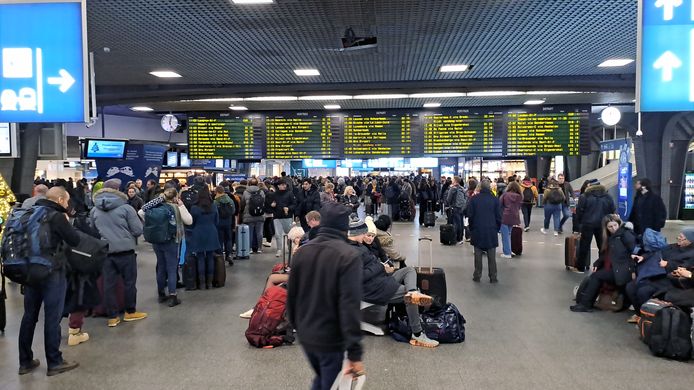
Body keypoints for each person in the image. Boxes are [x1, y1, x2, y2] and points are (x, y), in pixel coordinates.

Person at [287, 203, 365, 390]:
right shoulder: (348, 256)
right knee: (327, 382)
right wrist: (355, 352)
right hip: (330, 337)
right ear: (345, 226)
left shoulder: (302, 252)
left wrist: (296, 325)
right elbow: (349, 305)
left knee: (323, 379)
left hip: (306, 333)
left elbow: (291, 295)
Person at [17, 187, 81, 376]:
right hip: (51, 271)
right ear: (60, 200)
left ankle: (25, 361)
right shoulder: (56, 216)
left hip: (29, 270)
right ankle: (54, 361)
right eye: (67, 201)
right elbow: (74, 240)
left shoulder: (29, 213)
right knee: (52, 317)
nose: (68, 204)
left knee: (29, 315)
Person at [348, 215, 439, 348]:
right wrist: (380, 267)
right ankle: (418, 334)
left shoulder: (357, 246)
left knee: (408, 270)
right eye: (365, 234)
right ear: (359, 233)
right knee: (408, 297)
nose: (367, 237)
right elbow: (359, 276)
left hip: (379, 281)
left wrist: (382, 268)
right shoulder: (352, 252)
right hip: (372, 289)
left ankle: (413, 292)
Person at [90, 179, 147, 327]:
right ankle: (130, 312)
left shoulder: (94, 209)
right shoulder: (126, 208)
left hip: (106, 252)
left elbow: (93, 231)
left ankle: (112, 317)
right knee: (129, 283)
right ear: (118, 190)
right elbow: (138, 230)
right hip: (126, 251)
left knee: (108, 285)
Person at [570, 215, 636, 312]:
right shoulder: (613, 237)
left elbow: (634, 253)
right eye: (610, 226)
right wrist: (597, 263)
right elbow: (606, 254)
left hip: (624, 271)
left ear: (619, 224)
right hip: (618, 268)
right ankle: (585, 304)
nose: (614, 228)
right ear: (606, 228)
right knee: (596, 276)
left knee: (596, 276)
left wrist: (633, 271)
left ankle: (585, 304)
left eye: (615, 225)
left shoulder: (626, 234)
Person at [139, 187, 193, 306]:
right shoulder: (176, 208)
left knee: (161, 266)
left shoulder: (155, 207)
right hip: (172, 241)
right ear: (175, 197)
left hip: (157, 241)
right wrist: (181, 205)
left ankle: (161, 294)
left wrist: (158, 200)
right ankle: (173, 296)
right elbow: (189, 221)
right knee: (172, 268)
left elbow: (141, 212)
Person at [574, 179, 616, 273]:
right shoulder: (607, 196)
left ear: (590, 186)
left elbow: (579, 211)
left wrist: (580, 223)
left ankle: (581, 267)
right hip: (603, 224)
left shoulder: (584, 196)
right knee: (602, 245)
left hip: (587, 224)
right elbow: (612, 209)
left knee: (584, 246)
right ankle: (601, 267)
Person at [467, 180, 502, 283]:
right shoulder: (495, 200)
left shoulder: (474, 199)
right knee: (491, 256)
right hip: (491, 230)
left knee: (478, 254)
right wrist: (497, 228)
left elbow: (470, 215)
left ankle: (477, 275)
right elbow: (499, 217)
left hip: (477, 229)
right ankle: (493, 276)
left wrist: (472, 227)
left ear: (480, 187)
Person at [188, 185, 221, 289]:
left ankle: (202, 283)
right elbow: (217, 221)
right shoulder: (214, 205)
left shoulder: (194, 208)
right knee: (210, 257)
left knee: (200, 257)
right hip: (211, 232)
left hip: (198, 232)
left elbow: (191, 223)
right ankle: (209, 283)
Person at [269, 179, 297, 258]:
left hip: (287, 216)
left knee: (289, 233)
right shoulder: (274, 194)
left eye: (284, 184)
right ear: (278, 186)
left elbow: (294, 204)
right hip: (277, 216)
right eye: (282, 184)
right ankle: (279, 249)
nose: (284, 186)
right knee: (278, 234)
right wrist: (272, 205)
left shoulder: (290, 193)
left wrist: (289, 208)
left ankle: (290, 247)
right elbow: (270, 205)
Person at [498, 181, 522, 258]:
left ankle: (507, 253)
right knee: (508, 234)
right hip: (514, 217)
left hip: (505, 217)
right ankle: (509, 250)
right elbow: (519, 207)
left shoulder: (505, 195)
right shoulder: (520, 196)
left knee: (505, 235)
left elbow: (499, 205)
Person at [242, 178, 266, 254]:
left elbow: (243, 203)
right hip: (260, 214)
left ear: (249, 184)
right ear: (257, 184)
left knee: (250, 232)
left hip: (249, 215)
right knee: (259, 232)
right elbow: (264, 202)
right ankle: (259, 248)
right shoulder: (261, 191)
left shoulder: (246, 192)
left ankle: (250, 249)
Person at [213, 186, 235, 264]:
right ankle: (229, 255)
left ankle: (220, 257)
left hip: (219, 223)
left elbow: (214, 212)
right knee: (228, 239)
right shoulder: (229, 200)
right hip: (228, 222)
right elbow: (233, 211)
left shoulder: (216, 201)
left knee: (220, 240)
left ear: (217, 192)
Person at [445, 176, 467, 244]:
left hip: (455, 207)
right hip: (461, 208)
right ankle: (460, 238)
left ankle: (456, 238)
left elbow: (448, 199)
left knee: (456, 223)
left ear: (455, 181)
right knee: (461, 222)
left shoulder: (453, 189)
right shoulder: (462, 188)